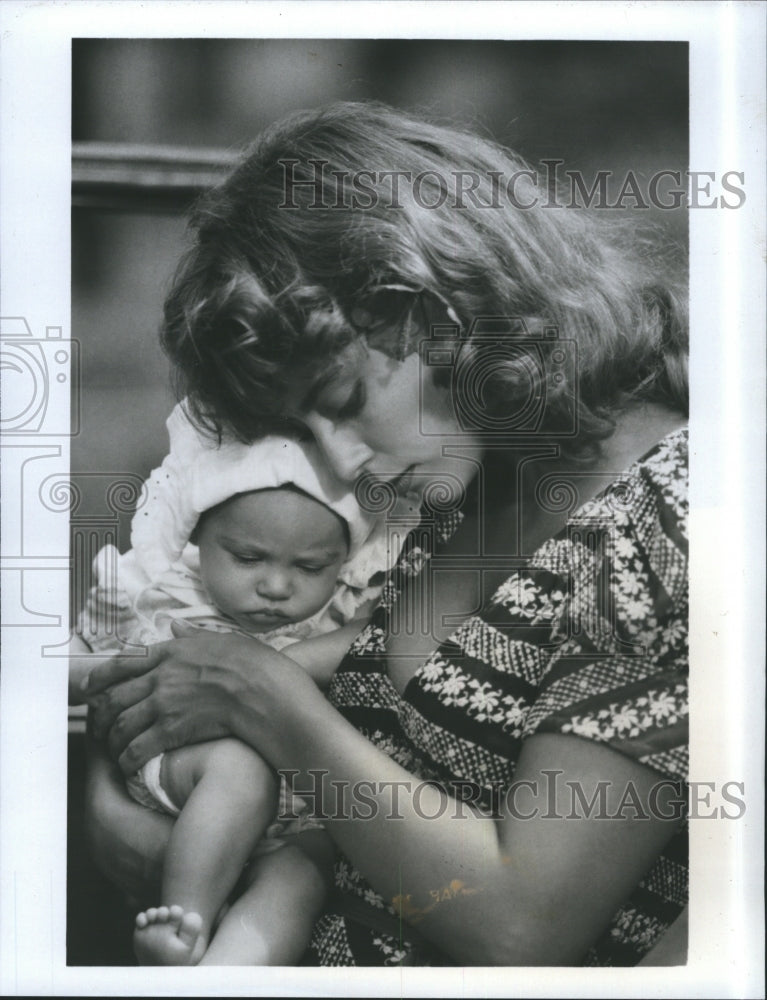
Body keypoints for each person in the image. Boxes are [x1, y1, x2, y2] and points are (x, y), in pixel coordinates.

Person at [81, 101, 689, 966]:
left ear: (434, 314)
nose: (342, 464)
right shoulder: (480, 475)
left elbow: (523, 925)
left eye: (341, 403)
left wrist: (273, 706)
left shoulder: (667, 522)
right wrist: (120, 801)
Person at [70, 402, 396, 964]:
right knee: (239, 771)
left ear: (342, 561)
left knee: (299, 877)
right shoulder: (160, 590)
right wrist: (121, 668)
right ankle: (183, 925)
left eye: (310, 566)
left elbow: (379, 637)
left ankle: (224, 973)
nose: (275, 585)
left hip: (291, 815)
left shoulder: (336, 613)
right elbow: (67, 668)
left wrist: (291, 656)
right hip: (185, 768)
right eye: (248, 557)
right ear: (201, 535)